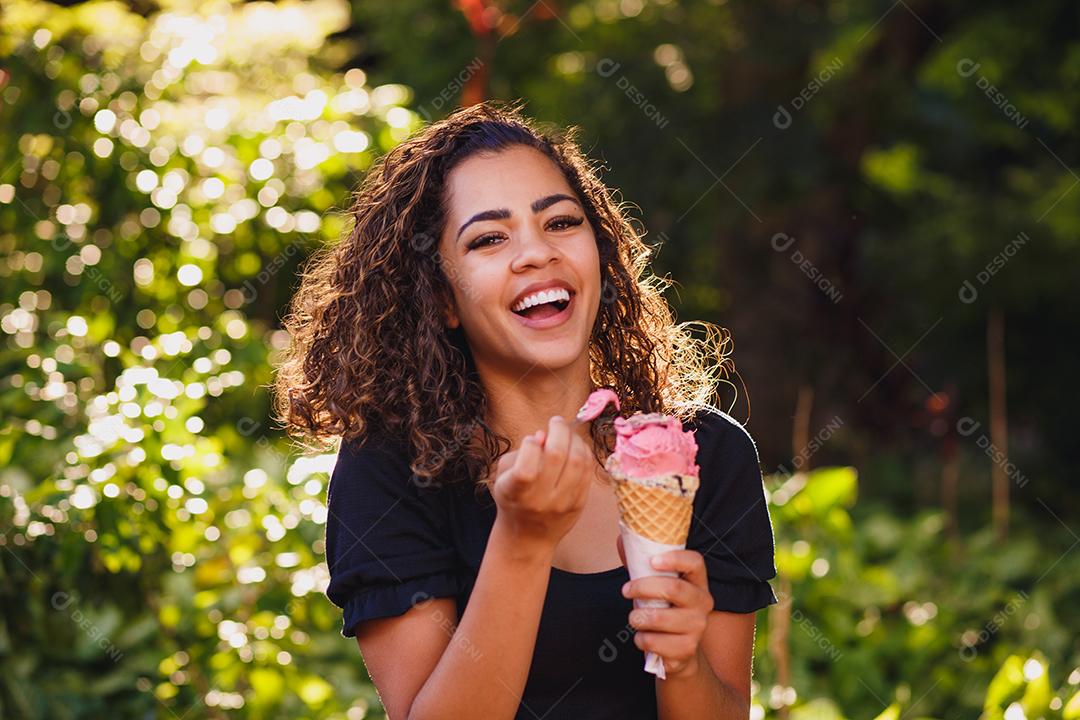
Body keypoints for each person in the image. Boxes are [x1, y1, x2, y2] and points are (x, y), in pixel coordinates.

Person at [273, 100, 777, 719]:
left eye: (560, 222)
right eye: (489, 238)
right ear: (442, 299)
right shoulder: (393, 469)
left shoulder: (702, 454)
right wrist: (522, 541)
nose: (537, 253)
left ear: (601, 257)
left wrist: (683, 660)